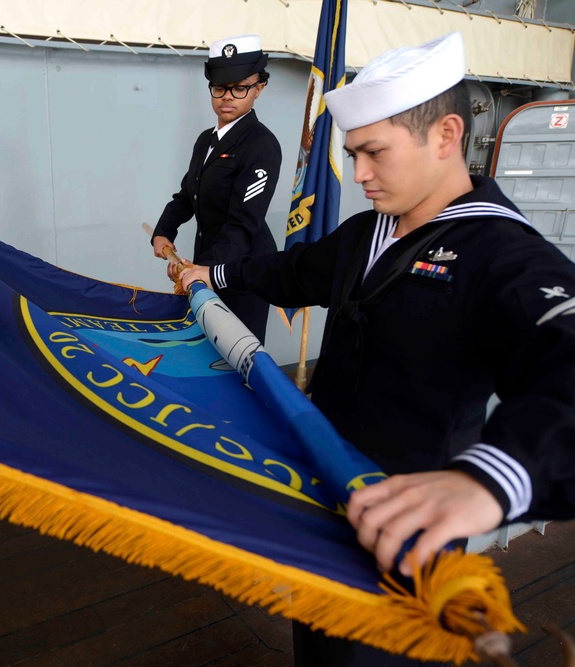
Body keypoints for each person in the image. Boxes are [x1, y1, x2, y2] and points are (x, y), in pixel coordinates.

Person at [180, 31, 575, 666]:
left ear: (446, 137)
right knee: (320, 639)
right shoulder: (370, 229)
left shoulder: (503, 255)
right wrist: (214, 277)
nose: (358, 174)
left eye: (374, 153)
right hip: (332, 495)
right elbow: (295, 272)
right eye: (352, 154)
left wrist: (493, 480)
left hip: (413, 523)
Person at [151, 34, 282, 342]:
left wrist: (201, 269)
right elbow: (187, 196)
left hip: (242, 272)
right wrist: (164, 231)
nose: (227, 96)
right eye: (220, 87)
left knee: (237, 358)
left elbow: (243, 223)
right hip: (206, 263)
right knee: (205, 350)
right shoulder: (205, 140)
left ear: (259, 89)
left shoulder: (262, 145)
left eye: (240, 88)